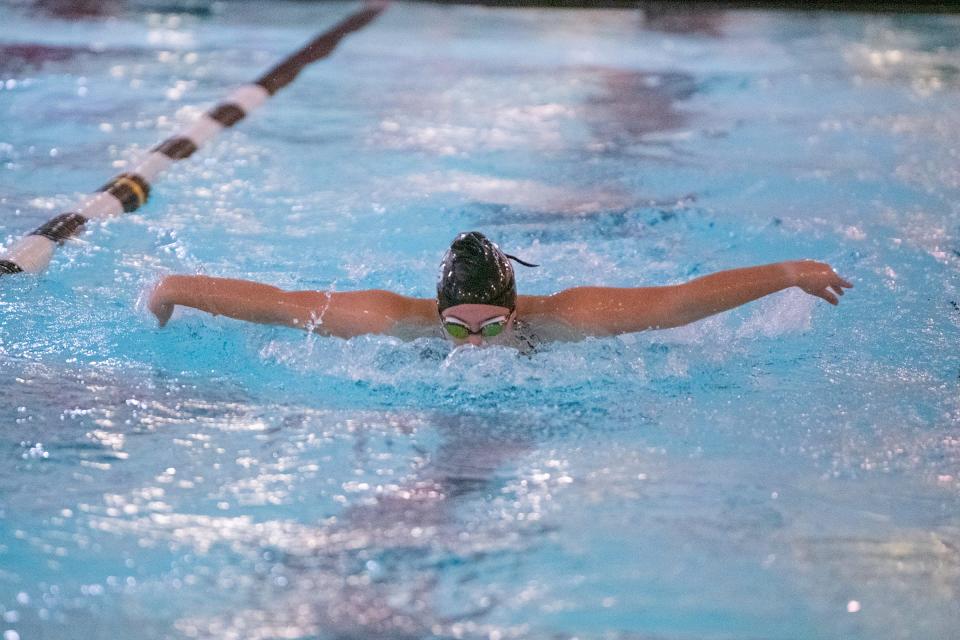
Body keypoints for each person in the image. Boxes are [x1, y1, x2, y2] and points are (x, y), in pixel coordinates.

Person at [148, 231, 852, 347]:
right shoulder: (394, 320)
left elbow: (677, 302)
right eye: (459, 329)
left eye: (494, 327)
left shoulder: (570, 315)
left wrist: (786, 274)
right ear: (438, 313)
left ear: (519, 311)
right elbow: (278, 305)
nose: (477, 345)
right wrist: (175, 287)